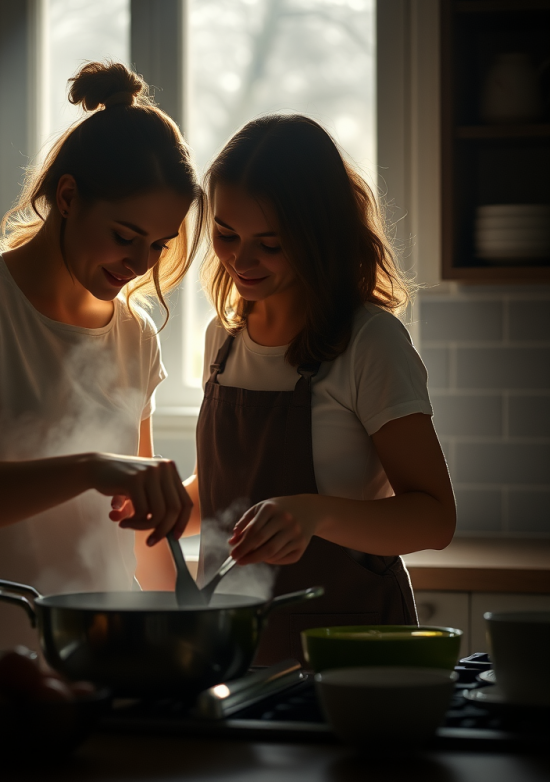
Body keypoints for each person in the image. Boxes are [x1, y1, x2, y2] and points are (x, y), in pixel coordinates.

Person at [0, 62, 201, 650]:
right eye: (124, 235)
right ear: (67, 197)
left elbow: (140, 531)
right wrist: (90, 467)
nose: (141, 264)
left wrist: (180, 636)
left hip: (100, 662)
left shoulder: (136, 336)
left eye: (158, 246)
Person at [187, 114, 455, 665]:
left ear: (318, 236)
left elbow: (433, 518)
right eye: (226, 234)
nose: (241, 259)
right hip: (235, 649)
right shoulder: (223, 339)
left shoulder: (370, 342)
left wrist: (315, 514)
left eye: (271, 243)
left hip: (351, 651)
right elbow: (231, 496)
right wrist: (173, 501)